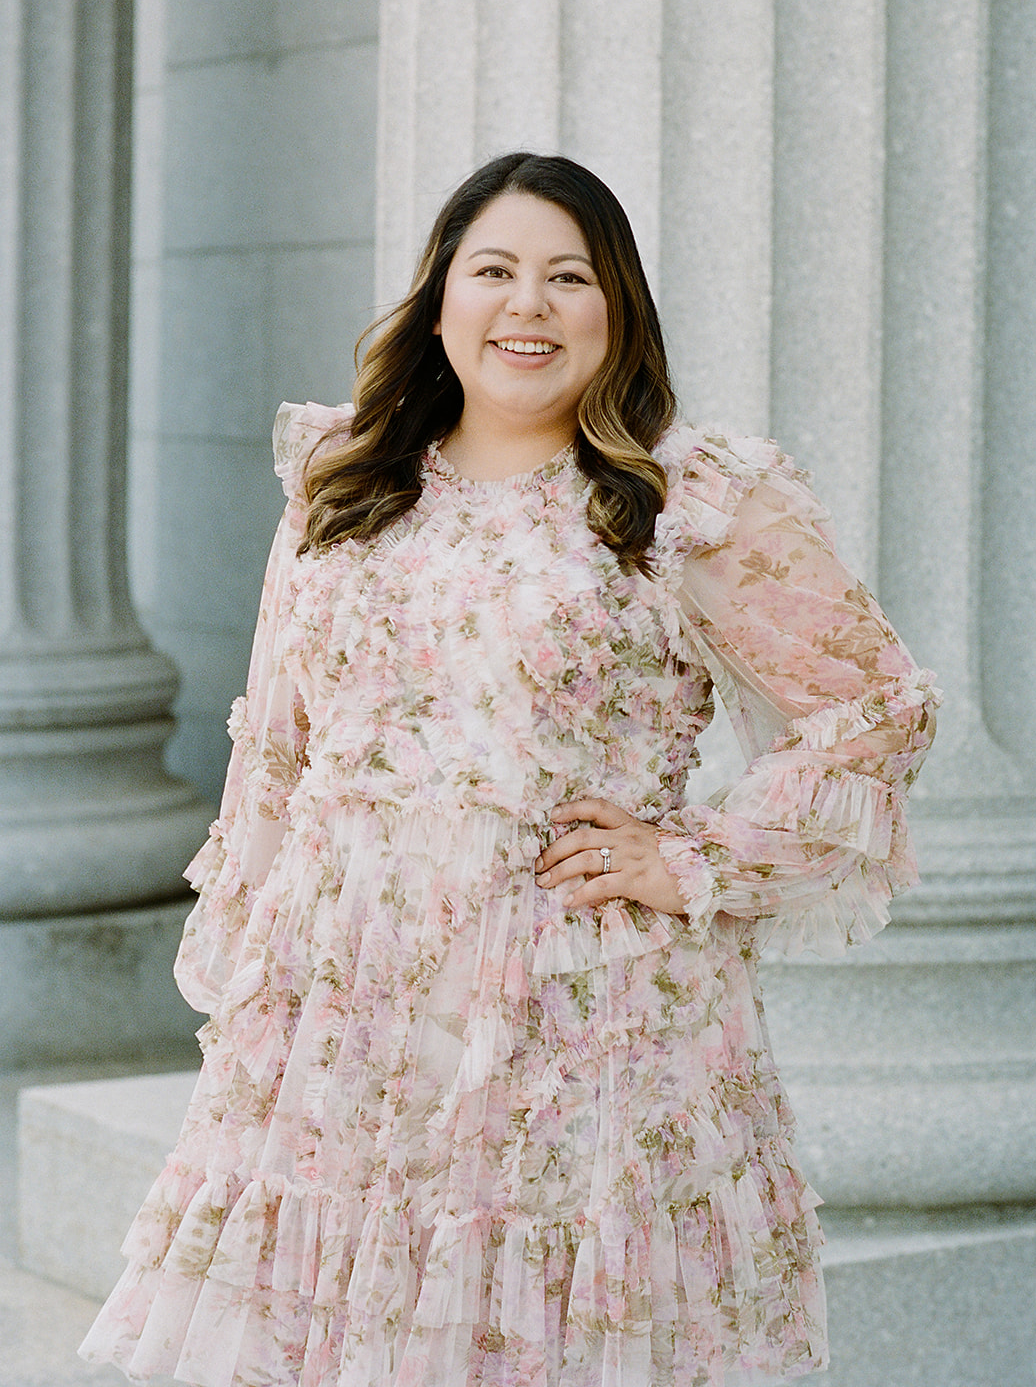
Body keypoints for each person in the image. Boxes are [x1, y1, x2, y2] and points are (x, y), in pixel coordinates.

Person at [80, 153, 938, 1387]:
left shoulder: (681, 499)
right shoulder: (343, 480)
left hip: (578, 1007)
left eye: (567, 277)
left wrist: (693, 855)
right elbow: (275, 746)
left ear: (615, 309)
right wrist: (249, 961)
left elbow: (875, 704)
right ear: (440, 300)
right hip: (349, 1003)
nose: (526, 305)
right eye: (492, 270)